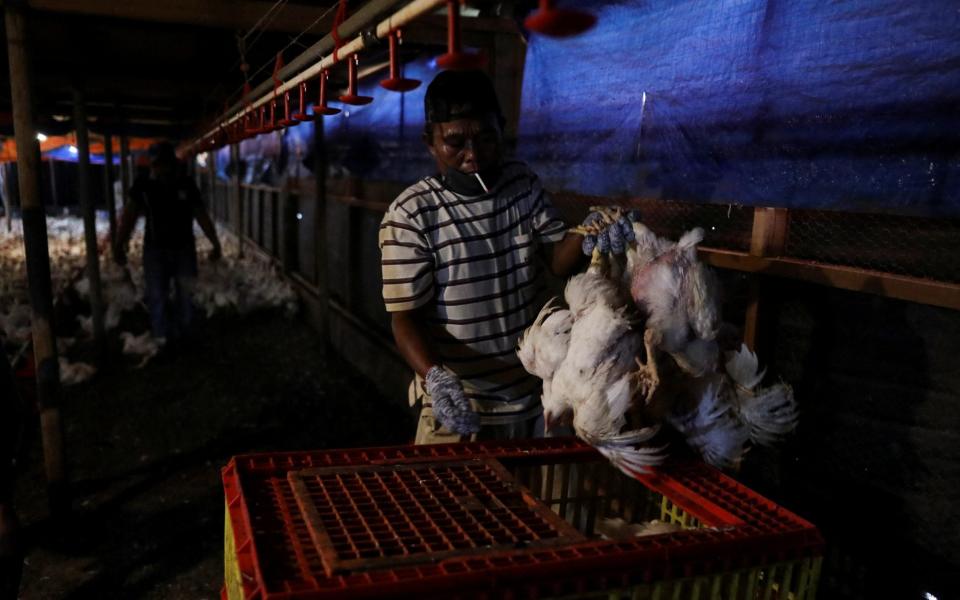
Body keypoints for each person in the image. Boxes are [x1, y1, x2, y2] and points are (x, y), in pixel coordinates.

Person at [379, 70, 594, 444]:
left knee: (528, 502)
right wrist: (435, 376)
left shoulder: (521, 185)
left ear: (502, 129)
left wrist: (590, 231)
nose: (473, 155)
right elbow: (404, 317)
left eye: (485, 138)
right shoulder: (411, 214)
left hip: (533, 400)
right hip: (459, 407)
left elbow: (558, 262)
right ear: (430, 142)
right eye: (455, 142)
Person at [114, 142, 222, 345]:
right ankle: (162, 338)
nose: (162, 169)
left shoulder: (186, 184)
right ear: (152, 165)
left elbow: (201, 214)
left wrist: (215, 242)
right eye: (157, 165)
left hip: (184, 248)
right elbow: (129, 215)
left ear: (173, 164)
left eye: (166, 164)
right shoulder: (143, 185)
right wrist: (120, 243)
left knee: (186, 294)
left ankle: (186, 335)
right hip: (155, 249)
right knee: (157, 294)